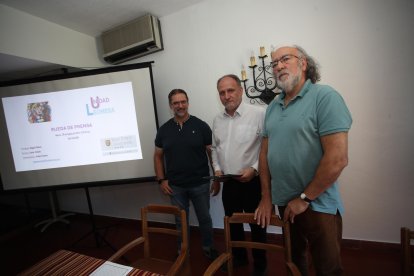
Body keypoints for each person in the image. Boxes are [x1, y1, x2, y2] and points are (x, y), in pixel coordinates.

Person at [254, 45, 352, 276]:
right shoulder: (273, 107)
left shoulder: (325, 97)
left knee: (327, 268)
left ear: (304, 63)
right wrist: (266, 198)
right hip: (284, 202)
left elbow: (338, 159)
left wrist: (304, 198)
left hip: (317, 203)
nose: (278, 66)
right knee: (294, 263)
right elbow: (264, 155)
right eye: (274, 63)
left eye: (285, 59)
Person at [154, 88, 220, 260]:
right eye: (176, 103)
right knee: (180, 222)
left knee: (205, 219)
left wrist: (216, 178)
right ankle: (183, 251)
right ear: (171, 106)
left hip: (200, 183)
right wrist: (161, 180)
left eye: (183, 102)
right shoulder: (164, 130)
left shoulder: (201, 126)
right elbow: (158, 156)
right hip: (175, 187)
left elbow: (211, 153)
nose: (180, 105)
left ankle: (208, 248)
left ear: (188, 103)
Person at [211, 74, 267, 275]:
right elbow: (215, 149)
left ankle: (261, 265)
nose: (226, 96)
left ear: (241, 91)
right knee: (232, 223)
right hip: (229, 182)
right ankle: (240, 258)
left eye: (230, 90)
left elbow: (266, 147)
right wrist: (217, 169)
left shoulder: (259, 113)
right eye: (222, 92)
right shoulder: (217, 120)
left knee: (257, 225)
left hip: (253, 181)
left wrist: (254, 168)